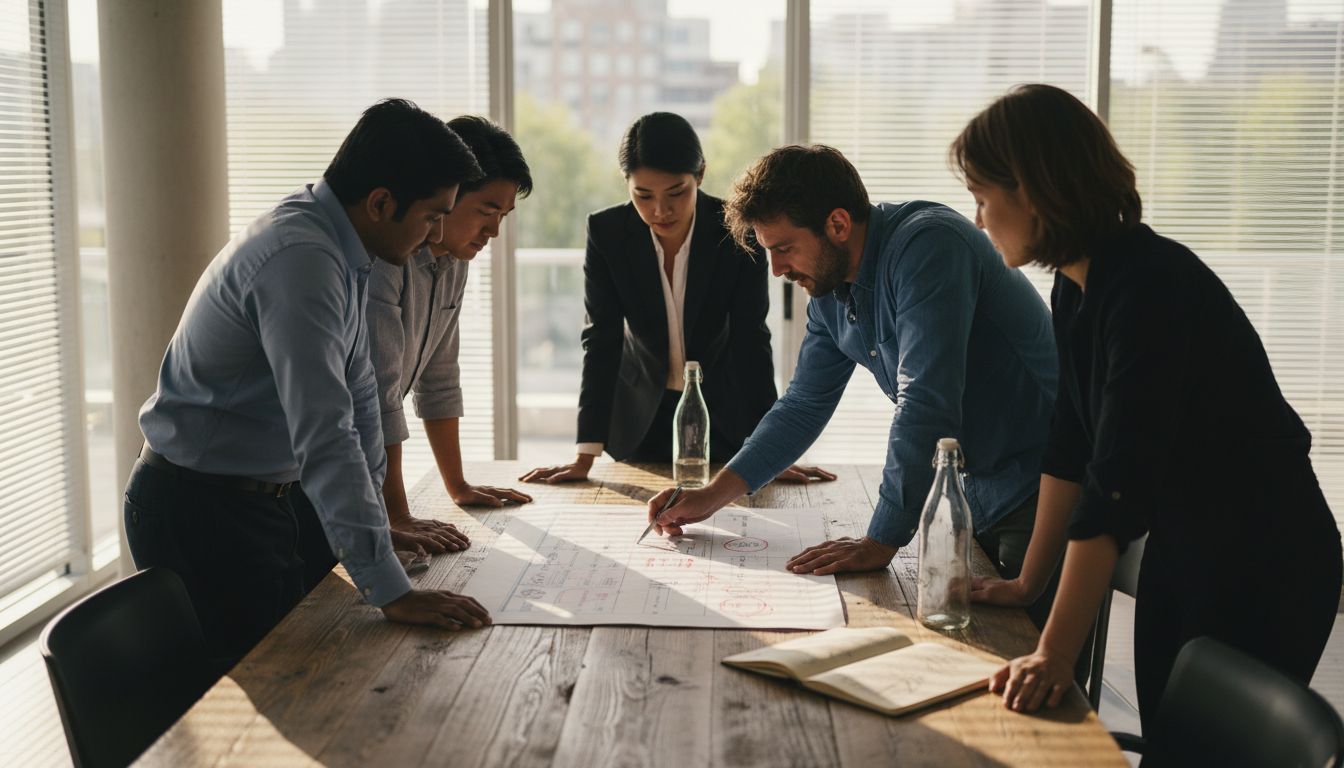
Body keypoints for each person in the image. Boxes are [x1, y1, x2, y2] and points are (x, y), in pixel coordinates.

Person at [951, 84, 1342, 726]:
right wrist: (1029, 583)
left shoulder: (1148, 285)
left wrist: (1052, 654)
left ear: (1032, 189)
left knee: (1207, 748)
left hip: (1268, 556)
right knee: (1170, 738)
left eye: (982, 198)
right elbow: (1070, 448)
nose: (978, 219)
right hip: (1186, 545)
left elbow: (1116, 487)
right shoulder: (1077, 291)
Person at [126, 99, 492, 672]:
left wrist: (378, 529)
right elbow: (327, 435)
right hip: (202, 509)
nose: (437, 235)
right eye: (431, 216)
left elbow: (362, 396)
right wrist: (392, 590)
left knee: (327, 664)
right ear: (380, 202)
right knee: (276, 688)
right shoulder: (302, 259)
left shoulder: (343, 246)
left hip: (265, 499)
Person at [644, 144, 1060, 588]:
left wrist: (881, 540)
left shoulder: (929, 247)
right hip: (970, 499)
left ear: (838, 224)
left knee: (1027, 652)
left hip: (1040, 493)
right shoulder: (828, 292)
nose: (778, 268)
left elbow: (925, 401)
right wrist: (711, 495)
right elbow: (803, 404)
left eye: (784, 248)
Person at [521, 112, 832, 484]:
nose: (659, 210)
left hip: (724, 419)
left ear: (699, 174)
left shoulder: (737, 232)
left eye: (676, 193)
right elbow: (601, 339)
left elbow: (751, 339)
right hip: (639, 419)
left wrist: (770, 450)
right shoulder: (607, 233)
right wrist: (585, 454)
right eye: (643, 195)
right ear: (627, 184)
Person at [368, 116, 535, 564]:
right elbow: (378, 397)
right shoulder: (387, 257)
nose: (494, 231)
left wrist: (457, 485)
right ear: (447, 192)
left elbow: (439, 378)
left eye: (503, 216)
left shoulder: (456, 262)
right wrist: (397, 514)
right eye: (486, 211)